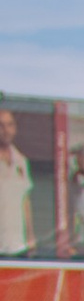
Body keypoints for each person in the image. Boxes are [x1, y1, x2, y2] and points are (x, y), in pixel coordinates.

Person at [0, 105, 33, 259]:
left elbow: (25, 201)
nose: (5, 130)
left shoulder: (21, 161)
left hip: (18, 247)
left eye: (9, 125)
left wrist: (31, 238)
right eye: (1, 125)